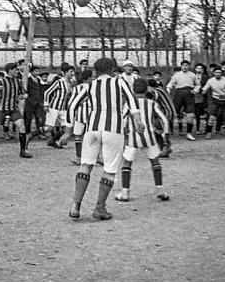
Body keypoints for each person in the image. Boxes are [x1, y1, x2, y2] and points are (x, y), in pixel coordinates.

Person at [66, 57, 144, 221]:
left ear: (96, 71)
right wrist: (137, 121)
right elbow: (131, 101)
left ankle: (75, 204)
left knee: (86, 165)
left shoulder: (90, 85)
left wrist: (68, 128)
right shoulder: (119, 82)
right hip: (113, 129)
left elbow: (72, 105)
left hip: (92, 129)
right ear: (112, 70)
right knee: (109, 169)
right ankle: (99, 208)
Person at [115, 78, 171, 203]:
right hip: (150, 138)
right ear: (147, 90)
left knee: (127, 163)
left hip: (134, 139)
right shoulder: (152, 103)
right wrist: (166, 138)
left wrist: (123, 133)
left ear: (133, 90)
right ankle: (160, 190)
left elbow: (122, 120)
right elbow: (165, 120)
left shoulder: (129, 104)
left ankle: (125, 192)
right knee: (155, 162)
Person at [0, 62, 31, 158]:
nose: (17, 71)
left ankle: (22, 151)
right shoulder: (1, 80)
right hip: (2, 108)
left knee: (22, 126)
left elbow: (25, 94)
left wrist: (21, 97)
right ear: (10, 70)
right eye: (15, 69)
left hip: (13, 109)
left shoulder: (18, 81)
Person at [41, 63, 75, 147]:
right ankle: (30, 135)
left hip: (63, 109)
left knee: (66, 128)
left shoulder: (70, 83)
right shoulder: (59, 82)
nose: (73, 73)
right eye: (71, 72)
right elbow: (47, 92)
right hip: (54, 108)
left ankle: (53, 141)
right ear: (66, 72)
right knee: (49, 128)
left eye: (73, 72)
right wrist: (46, 104)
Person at [200, 66, 225, 139]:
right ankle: (209, 132)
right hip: (215, 100)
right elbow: (205, 89)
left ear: (221, 73)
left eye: (219, 72)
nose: (218, 74)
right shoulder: (210, 80)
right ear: (213, 73)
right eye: (216, 72)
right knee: (211, 117)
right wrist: (201, 91)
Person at [167, 60, 202, 140]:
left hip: (189, 94)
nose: (185, 67)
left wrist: (195, 91)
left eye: (186, 65)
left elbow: (198, 85)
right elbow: (170, 84)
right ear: (181, 66)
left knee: (190, 114)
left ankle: (189, 133)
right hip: (178, 94)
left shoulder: (193, 75)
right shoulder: (177, 75)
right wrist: (168, 90)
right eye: (183, 65)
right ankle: (167, 131)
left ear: (189, 66)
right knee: (173, 113)